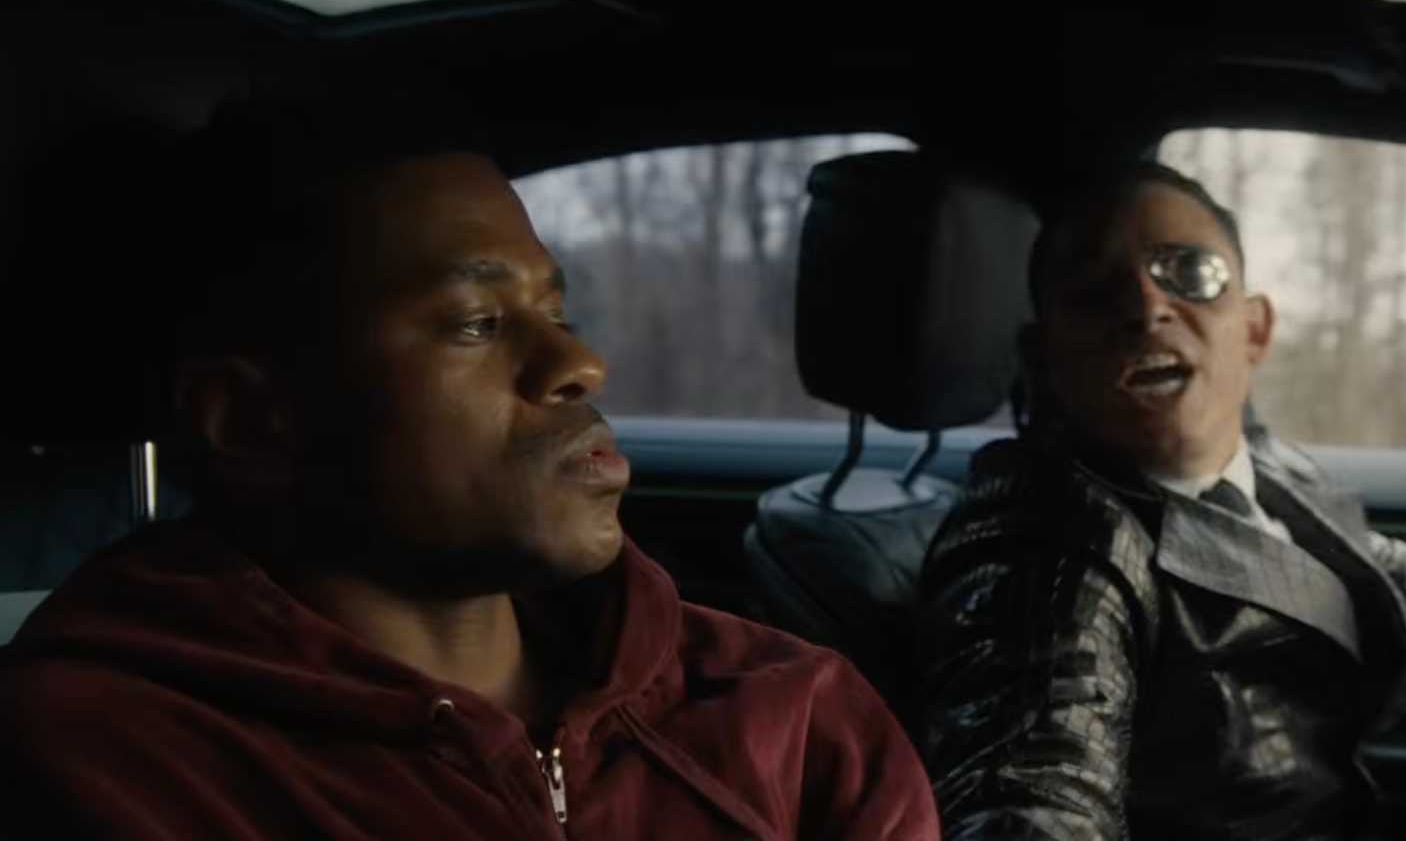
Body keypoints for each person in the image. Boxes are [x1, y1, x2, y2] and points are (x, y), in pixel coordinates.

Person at [0, 96, 939, 841]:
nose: (579, 364)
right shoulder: (110, 762)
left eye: (557, 313)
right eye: (477, 324)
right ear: (250, 420)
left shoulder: (796, 714)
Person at [917, 161, 1406, 840]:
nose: (1145, 305)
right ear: (1041, 357)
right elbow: (1030, 798)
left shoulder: (1278, 487)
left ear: (1255, 329)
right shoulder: (1050, 549)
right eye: (1093, 290)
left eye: (1191, 273)